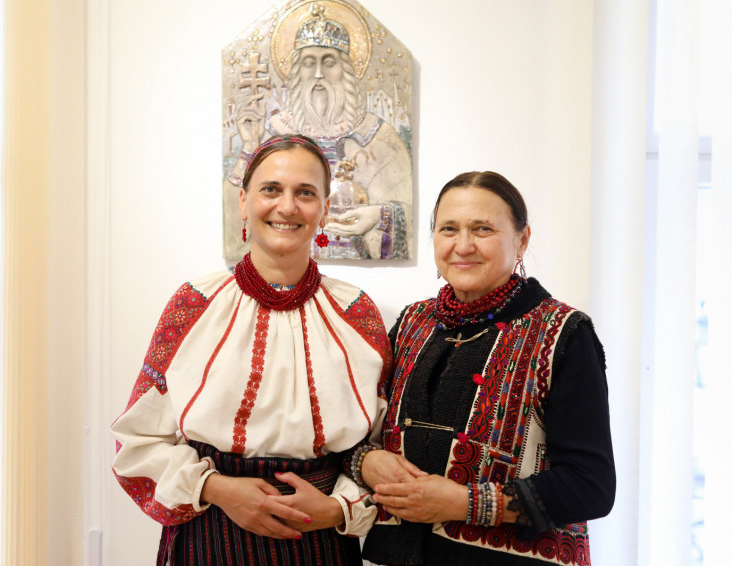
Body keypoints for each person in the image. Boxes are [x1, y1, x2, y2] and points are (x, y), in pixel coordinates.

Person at [112, 135, 391, 565]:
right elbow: (138, 439)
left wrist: (339, 509)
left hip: (319, 540)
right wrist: (218, 489)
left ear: (324, 210)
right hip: (213, 533)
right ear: (244, 202)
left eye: (305, 193)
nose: (287, 206)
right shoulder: (194, 304)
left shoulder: (357, 313)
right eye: (271, 189)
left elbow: (382, 445)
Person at [348, 171, 615, 565]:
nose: (463, 245)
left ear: (522, 239)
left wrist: (465, 503)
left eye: (482, 229)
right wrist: (366, 462)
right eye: (448, 229)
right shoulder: (411, 324)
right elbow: (352, 430)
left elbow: (590, 485)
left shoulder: (563, 333)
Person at [223, 5, 412, 260]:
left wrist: (380, 214)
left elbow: (407, 211)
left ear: (346, 70)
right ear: (296, 72)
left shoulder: (377, 135)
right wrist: (248, 147)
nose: (319, 74)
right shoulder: (270, 133)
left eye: (329, 62)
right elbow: (236, 221)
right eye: (309, 63)